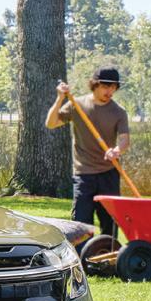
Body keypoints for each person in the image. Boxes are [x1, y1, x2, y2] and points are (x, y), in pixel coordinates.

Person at [45, 65, 131, 239]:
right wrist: (60, 98)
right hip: (83, 174)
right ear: (95, 85)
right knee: (81, 224)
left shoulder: (119, 112)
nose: (110, 91)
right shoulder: (77, 105)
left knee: (110, 223)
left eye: (113, 87)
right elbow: (51, 123)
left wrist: (116, 150)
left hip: (108, 174)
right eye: (106, 86)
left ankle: (107, 254)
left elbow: (124, 139)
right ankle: (81, 255)